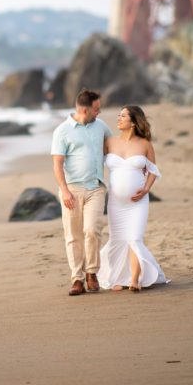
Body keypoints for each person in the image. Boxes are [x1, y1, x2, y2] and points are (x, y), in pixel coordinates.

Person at [97, 105, 168, 292]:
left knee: (134, 238)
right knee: (118, 239)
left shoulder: (145, 144)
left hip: (138, 203)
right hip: (115, 202)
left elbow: (153, 170)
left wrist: (146, 189)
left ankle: (135, 279)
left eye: (123, 116)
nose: (118, 118)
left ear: (134, 122)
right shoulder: (110, 142)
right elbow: (93, 161)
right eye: (118, 115)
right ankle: (119, 278)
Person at [51, 88, 113, 296]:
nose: (100, 112)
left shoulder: (101, 126)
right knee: (73, 235)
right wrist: (65, 191)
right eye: (97, 109)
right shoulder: (62, 131)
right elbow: (57, 164)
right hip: (72, 190)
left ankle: (91, 273)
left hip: (96, 187)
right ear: (84, 110)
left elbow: (113, 147)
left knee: (92, 230)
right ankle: (77, 278)